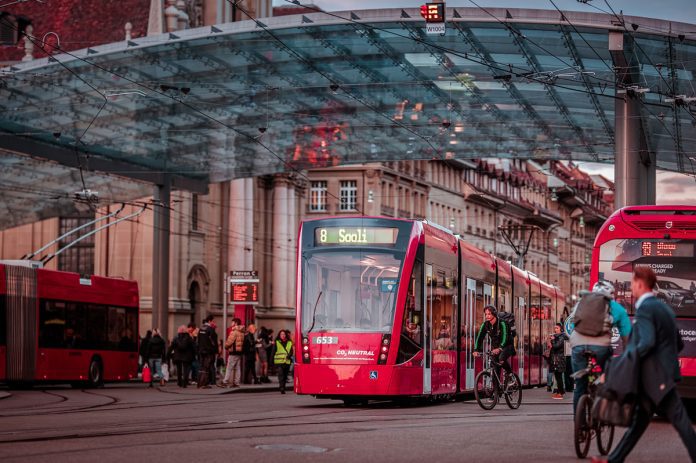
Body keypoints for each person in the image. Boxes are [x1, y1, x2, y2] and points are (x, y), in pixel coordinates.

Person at [591, 267, 696, 463]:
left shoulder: (646, 308)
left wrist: (620, 364)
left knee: (681, 423)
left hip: (657, 379)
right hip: (657, 377)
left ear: (640, 283)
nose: (631, 288)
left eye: (632, 284)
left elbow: (646, 342)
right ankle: (614, 459)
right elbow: (678, 343)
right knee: (639, 423)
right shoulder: (664, 307)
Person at [570, 280, 632, 413]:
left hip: (577, 345)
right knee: (604, 370)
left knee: (580, 386)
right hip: (600, 346)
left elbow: (572, 325)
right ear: (610, 294)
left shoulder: (581, 304)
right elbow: (627, 336)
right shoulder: (616, 308)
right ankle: (601, 385)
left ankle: (579, 425)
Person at [473, 305, 514, 385]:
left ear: (494, 314)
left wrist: (500, 348)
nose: (487, 316)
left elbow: (505, 337)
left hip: (507, 345)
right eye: (486, 314)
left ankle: (510, 374)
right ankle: (496, 393)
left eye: (489, 314)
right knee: (495, 368)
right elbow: (479, 337)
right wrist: (476, 350)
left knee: (501, 358)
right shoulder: (485, 325)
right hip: (495, 347)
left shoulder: (502, 323)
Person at [196, 315, 218, 388]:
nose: (213, 322)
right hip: (209, 351)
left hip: (201, 350)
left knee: (201, 366)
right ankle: (205, 382)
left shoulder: (201, 329)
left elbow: (198, 340)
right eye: (213, 321)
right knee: (207, 367)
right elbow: (214, 342)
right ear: (209, 321)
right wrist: (215, 350)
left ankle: (200, 382)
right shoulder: (210, 329)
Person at [548, 322, 568, 400]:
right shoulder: (557, 337)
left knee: (559, 376)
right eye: (555, 328)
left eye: (557, 328)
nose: (555, 329)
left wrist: (552, 341)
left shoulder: (562, 337)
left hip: (559, 359)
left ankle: (560, 393)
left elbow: (557, 346)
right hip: (556, 359)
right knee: (557, 376)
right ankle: (559, 391)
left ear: (560, 329)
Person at [222, 318, 244, 388]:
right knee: (237, 368)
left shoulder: (234, 332)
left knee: (229, 367)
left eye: (232, 322)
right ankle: (236, 382)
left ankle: (225, 381)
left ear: (235, 323)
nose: (231, 324)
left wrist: (225, 347)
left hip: (233, 352)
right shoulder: (241, 331)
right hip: (239, 352)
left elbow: (229, 342)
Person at [272, 329, 294, 394]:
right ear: (279, 335)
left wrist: (289, 355)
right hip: (279, 362)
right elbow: (273, 352)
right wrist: (271, 362)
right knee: (281, 375)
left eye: (284, 334)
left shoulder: (289, 342)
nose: (283, 335)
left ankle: (283, 387)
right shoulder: (277, 342)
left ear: (286, 335)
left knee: (285, 375)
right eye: (281, 334)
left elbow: (291, 351)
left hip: (286, 362)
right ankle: (281, 387)